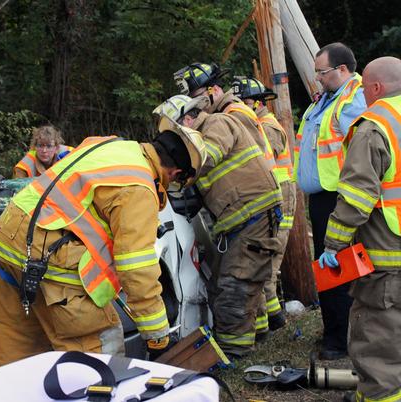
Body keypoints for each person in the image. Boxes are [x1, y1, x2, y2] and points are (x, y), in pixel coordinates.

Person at [0, 108, 207, 366]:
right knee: (99, 351)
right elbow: (137, 268)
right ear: (176, 173)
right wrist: (157, 336)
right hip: (48, 257)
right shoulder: (140, 186)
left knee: (22, 361)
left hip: (6, 242)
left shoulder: (107, 145)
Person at [155, 95, 282, 358]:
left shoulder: (217, 123)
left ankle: (233, 353)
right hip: (240, 217)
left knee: (235, 285)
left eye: (178, 133)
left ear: (188, 119)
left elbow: (206, 156)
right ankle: (255, 335)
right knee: (234, 283)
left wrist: (174, 166)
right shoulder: (205, 131)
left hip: (253, 214)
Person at [319, 56, 401, 402]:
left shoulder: (375, 125)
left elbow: (355, 199)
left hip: (388, 264)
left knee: (380, 352)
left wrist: (332, 245)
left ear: (376, 88)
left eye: (364, 87)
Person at [295, 42, 367, 360]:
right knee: (328, 268)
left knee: (339, 267)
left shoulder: (355, 99)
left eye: (321, 72)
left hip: (340, 196)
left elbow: (363, 152)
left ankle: (340, 341)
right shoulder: (325, 99)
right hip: (322, 197)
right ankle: (334, 332)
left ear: (342, 70)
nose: (317, 79)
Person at [232, 77, 296, 335]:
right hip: (271, 200)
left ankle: (269, 323)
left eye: (244, 102)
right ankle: (271, 321)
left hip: (279, 201)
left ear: (257, 103)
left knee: (268, 264)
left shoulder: (267, 127)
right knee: (263, 265)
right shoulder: (257, 124)